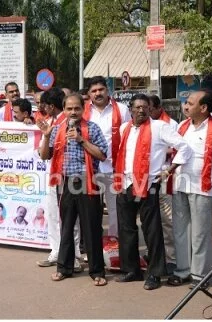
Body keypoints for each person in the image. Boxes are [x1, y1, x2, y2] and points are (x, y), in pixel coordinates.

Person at [113, 94, 192, 290]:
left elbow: (184, 147)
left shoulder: (159, 127)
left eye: (145, 107)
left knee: (152, 230)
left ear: (150, 109)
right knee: (127, 229)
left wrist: (169, 169)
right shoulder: (125, 128)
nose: (141, 110)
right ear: (131, 109)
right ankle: (131, 270)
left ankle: (155, 274)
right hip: (125, 183)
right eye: (137, 107)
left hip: (149, 184)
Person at [39, 93, 108, 286]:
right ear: (64, 109)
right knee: (66, 227)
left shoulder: (92, 129)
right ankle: (64, 268)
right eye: (69, 108)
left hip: (89, 182)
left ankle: (97, 271)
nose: (73, 112)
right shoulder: (57, 129)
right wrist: (46, 137)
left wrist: (81, 140)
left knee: (92, 228)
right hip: (66, 183)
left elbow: (102, 155)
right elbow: (46, 156)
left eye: (77, 108)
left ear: (83, 109)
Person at [169, 89, 212, 289]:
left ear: (204, 108)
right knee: (181, 231)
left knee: (200, 233)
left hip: (203, 189)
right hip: (180, 185)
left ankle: (200, 276)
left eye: (190, 103)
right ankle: (183, 270)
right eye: (186, 103)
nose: (185, 106)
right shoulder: (182, 126)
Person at [36, 88, 82, 270]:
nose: (42, 108)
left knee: (71, 219)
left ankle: (75, 255)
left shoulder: (70, 124)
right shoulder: (51, 123)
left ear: (51, 106)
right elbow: (44, 153)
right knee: (54, 215)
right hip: (54, 176)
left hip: (70, 176)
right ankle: (56, 251)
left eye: (43, 105)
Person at [83, 76, 131, 238]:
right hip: (90, 169)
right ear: (89, 94)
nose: (98, 93)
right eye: (94, 91)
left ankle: (114, 243)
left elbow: (129, 137)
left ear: (107, 90)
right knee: (91, 210)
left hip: (114, 168)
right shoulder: (83, 111)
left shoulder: (122, 110)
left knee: (115, 210)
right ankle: (93, 245)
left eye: (101, 89)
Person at [148, 94, 178, 274]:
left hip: (165, 177)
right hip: (147, 179)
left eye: (150, 108)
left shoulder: (170, 124)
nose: (146, 111)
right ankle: (155, 255)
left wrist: (155, 147)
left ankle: (170, 258)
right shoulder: (144, 125)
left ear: (159, 108)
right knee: (152, 221)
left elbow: (176, 147)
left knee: (167, 221)